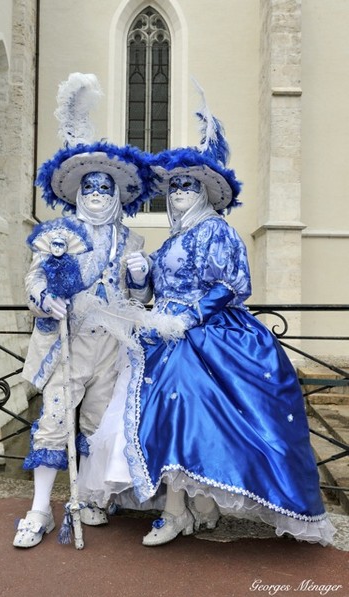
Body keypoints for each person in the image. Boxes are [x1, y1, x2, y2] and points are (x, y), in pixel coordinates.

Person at [77, 84, 335, 547]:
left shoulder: (219, 230)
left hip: (210, 337)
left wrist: (189, 317)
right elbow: (152, 288)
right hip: (163, 334)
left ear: (206, 192)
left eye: (187, 185)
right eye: (173, 186)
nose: (177, 192)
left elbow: (231, 284)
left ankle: (185, 510)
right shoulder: (175, 240)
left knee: (187, 418)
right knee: (167, 418)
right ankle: (192, 507)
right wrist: (140, 273)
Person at [13, 73, 152, 548]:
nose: (96, 194)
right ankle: (39, 511)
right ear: (77, 193)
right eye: (89, 188)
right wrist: (44, 298)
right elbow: (34, 279)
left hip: (111, 346)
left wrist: (138, 278)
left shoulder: (131, 240)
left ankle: (89, 498)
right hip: (66, 341)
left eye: (104, 188)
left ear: (116, 195)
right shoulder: (58, 234)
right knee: (54, 422)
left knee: (96, 424)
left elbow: (138, 302)